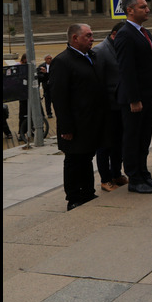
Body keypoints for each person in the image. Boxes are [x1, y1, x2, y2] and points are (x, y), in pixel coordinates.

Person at [50, 24, 108, 210]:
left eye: (92, 35)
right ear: (75, 38)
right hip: (75, 124)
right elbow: (59, 98)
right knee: (74, 160)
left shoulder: (92, 57)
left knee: (87, 157)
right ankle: (74, 197)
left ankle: (88, 192)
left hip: (92, 121)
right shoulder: (62, 61)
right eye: (88, 36)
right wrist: (66, 128)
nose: (92, 39)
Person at [114, 0, 152, 194]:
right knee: (133, 138)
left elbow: (150, 66)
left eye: (147, 6)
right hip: (134, 99)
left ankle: (144, 174)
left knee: (144, 138)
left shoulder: (144, 32)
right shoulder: (125, 34)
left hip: (148, 95)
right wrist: (134, 99)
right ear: (130, 10)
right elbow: (126, 70)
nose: (148, 10)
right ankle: (134, 178)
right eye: (143, 7)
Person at [92, 22, 128, 192]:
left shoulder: (121, 48)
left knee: (118, 143)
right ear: (114, 34)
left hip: (121, 105)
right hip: (107, 108)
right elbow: (98, 82)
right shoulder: (101, 51)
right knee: (105, 145)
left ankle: (116, 173)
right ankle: (105, 179)